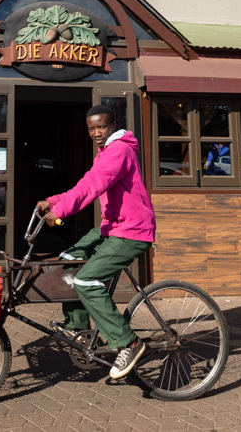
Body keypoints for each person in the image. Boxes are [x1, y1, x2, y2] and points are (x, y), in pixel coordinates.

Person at [35, 104, 156, 379]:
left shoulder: (120, 151)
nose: (96, 133)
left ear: (113, 125)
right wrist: (53, 201)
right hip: (111, 228)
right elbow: (86, 181)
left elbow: (93, 187)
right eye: (91, 128)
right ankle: (79, 328)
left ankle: (128, 343)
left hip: (132, 231)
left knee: (87, 281)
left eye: (101, 127)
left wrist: (61, 212)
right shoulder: (105, 153)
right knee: (68, 260)